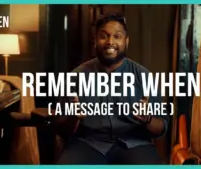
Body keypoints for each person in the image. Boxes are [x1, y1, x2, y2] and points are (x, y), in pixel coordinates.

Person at [56, 13, 169, 164]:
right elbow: (62, 130)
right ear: (95, 41)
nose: (110, 42)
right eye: (104, 36)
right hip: (88, 144)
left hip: (135, 144)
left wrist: (147, 119)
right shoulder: (76, 76)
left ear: (126, 41)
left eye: (117, 36)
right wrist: (73, 117)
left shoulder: (143, 75)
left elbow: (161, 127)